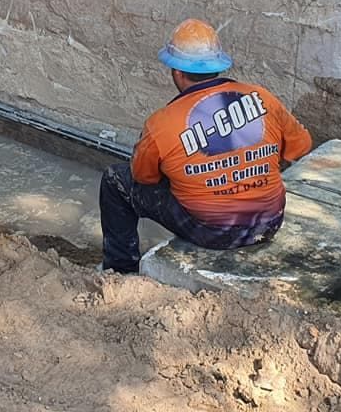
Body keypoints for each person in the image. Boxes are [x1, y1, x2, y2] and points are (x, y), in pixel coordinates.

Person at [99, 19, 312, 274]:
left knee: (115, 179)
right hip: (270, 222)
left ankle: (120, 271)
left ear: (177, 72)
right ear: (218, 65)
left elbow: (143, 177)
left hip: (214, 232)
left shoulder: (161, 124)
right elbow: (301, 146)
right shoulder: (262, 97)